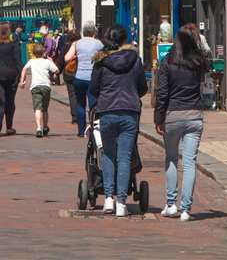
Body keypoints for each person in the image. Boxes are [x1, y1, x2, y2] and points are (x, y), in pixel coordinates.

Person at [89, 24, 147, 216]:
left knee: (107, 154)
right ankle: (121, 203)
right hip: (129, 111)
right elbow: (142, 88)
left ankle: (108, 199)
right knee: (124, 157)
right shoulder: (135, 60)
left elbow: (93, 89)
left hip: (107, 110)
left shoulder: (101, 62)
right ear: (124, 40)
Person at [154, 22, 209, 221]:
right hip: (194, 115)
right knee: (189, 162)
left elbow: (162, 93)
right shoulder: (198, 62)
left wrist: (158, 118)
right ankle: (186, 209)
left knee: (171, 158)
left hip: (173, 115)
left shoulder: (168, 61)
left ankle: (171, 204)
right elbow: (207, 61)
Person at [63, 23, 103, 137]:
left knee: (80, 104)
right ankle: (94, 129)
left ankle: (81, 131)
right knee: (93, 104)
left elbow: (66, 58)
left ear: (83, 32)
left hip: (79, 77)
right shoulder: (98, 44)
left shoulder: (77, 43)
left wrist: (78, 56)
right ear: (94, 33)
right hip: (92, 78)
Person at [19, 42, 60, 137]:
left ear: (33, 53)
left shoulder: (31, 61)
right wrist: (51, 61)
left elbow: (24, 69)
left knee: (37, 108)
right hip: (46, 86)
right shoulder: (47, 62)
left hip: (35, 87)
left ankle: (38, 128)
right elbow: (57, 70)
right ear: (43, 52)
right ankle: (45, 127)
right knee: (45, 109)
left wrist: (22, 81)